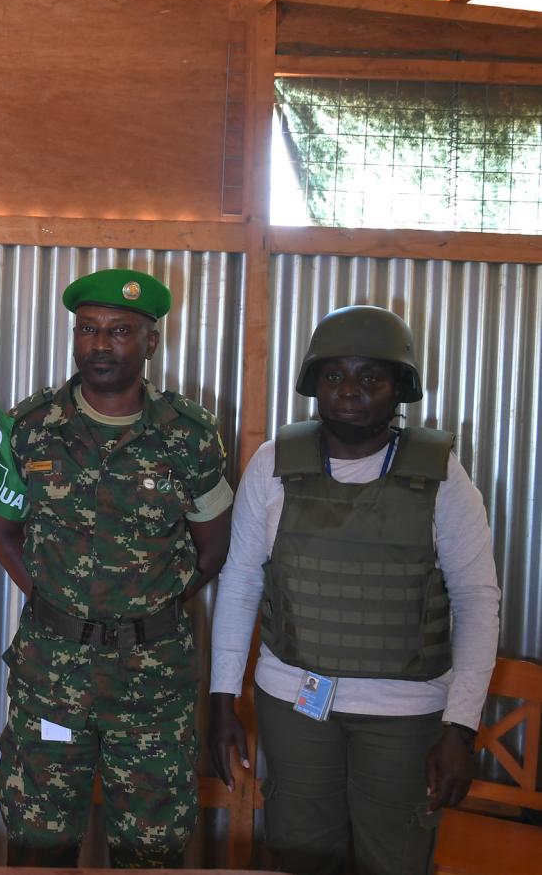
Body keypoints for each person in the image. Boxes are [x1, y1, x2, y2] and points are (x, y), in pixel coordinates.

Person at [209, 305, 501, 875]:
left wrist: (461, 729)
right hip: (295, 704)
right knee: (299, 854)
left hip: (406, 714)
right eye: (333, 374)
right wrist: (223, 702)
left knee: (395, 860)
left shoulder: (442, 476)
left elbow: (476, 600)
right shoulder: (273, 463)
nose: (349, 390)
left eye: (371, 376)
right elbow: (241, 582)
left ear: (399, 388)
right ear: (314, 383)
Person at [0, 267, 234, 868]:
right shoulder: (29, 427)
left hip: (153, 680)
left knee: (152, 847)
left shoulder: (190, 436)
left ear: (151, 342)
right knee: (39, 839)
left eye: (119, 331)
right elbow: (2, 531)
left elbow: (213, 550)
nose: (100, 344)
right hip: (52, 676)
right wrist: (54, 600)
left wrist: (147, 605)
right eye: (87, 329)